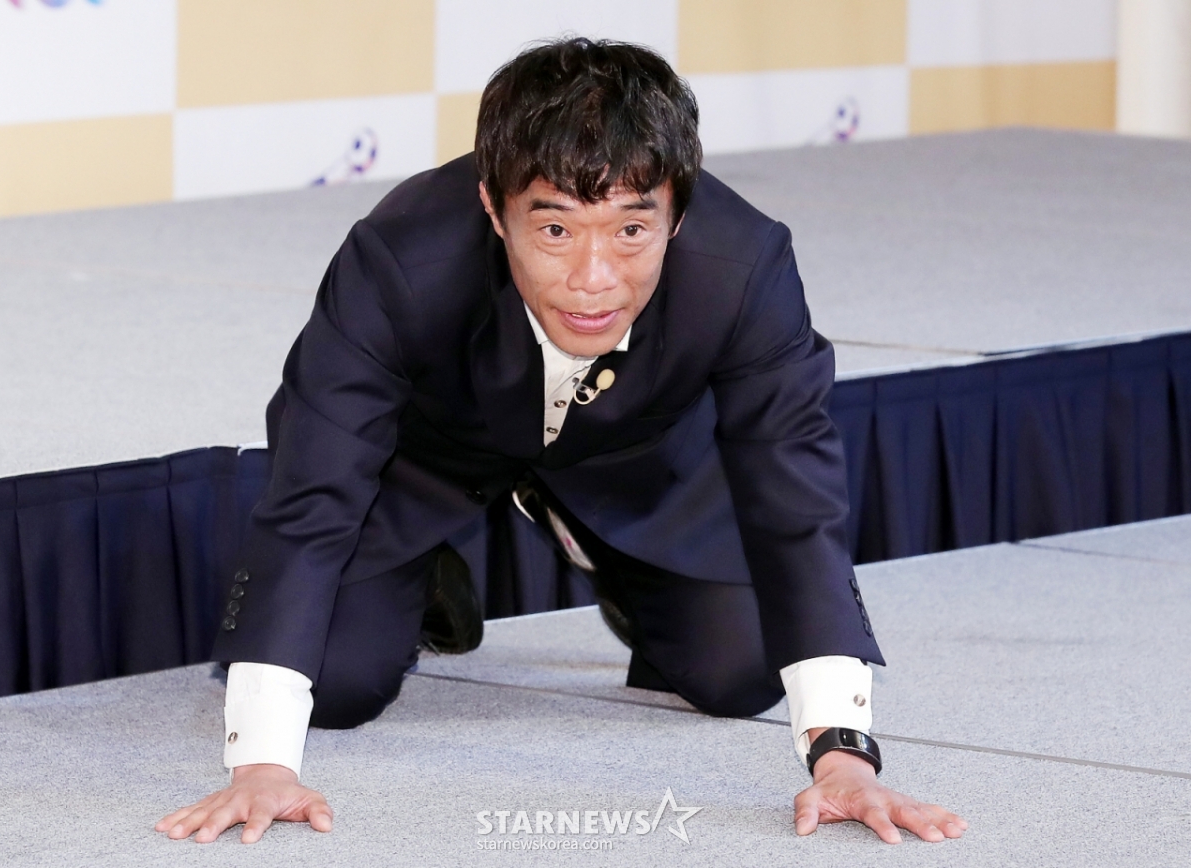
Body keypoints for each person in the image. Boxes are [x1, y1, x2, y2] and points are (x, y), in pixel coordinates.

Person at [156, 37, 967, 846]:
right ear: (492, 206)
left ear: (679, 211)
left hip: (637, 464)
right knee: (335, 687)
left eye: (629, 231)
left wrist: (844, 755)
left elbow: (794, 491)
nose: (593, 277)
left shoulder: (745, 264)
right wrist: (262, 763)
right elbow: (314, 488)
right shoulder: (399, 259)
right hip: (428, 461)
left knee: (740, 671)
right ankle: (429, 569)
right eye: (553, 230)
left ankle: (616, 565)